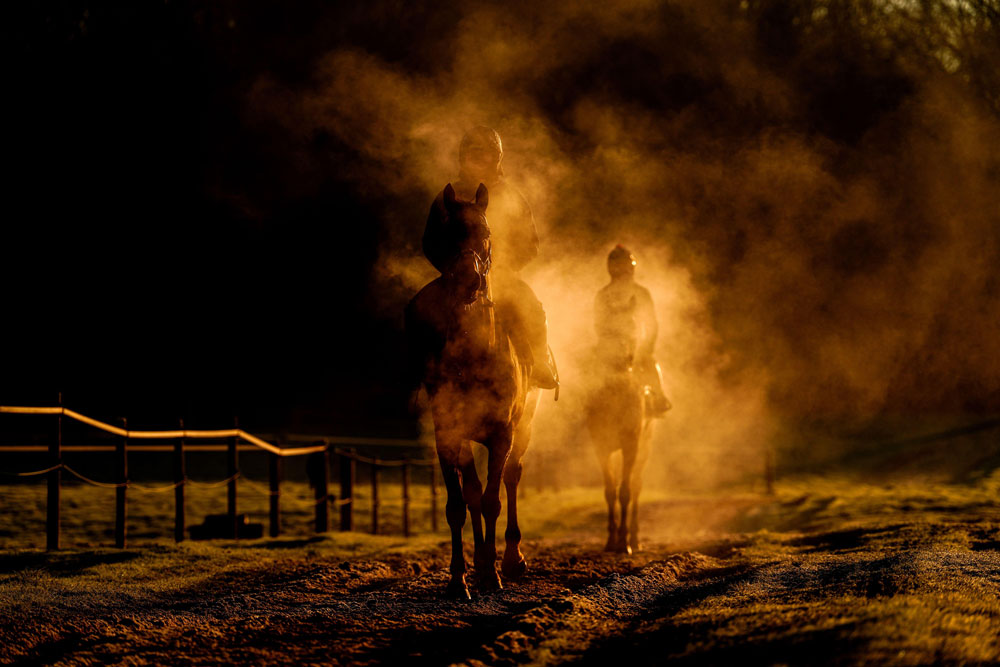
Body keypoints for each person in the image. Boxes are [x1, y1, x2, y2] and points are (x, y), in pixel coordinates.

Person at [423, 126, 558, 391]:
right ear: (462, 157)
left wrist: (503, 269)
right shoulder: (447, 196)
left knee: (532, 309)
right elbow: (431, 241)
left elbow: (530, 244)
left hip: (502, 278)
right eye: (472, 153)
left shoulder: (512, 197)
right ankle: (418, 371)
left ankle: (540, 364)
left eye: (483, 153)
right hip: (455, 280)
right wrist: (451, 269)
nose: (477, 158)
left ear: (495, 158)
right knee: (419, 309)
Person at [594, 245, 670, 417]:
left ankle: (659, 399)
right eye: (619, 266)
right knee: (588, 374)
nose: (623, 271)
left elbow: (652, 324)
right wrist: (608, 342)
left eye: (625, 266)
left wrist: (646, 349)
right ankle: (582, 408)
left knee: (650, 365)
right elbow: (598, 324)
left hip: (636, 347)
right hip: (609, 347)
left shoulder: (641, 293)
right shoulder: (603, 295)